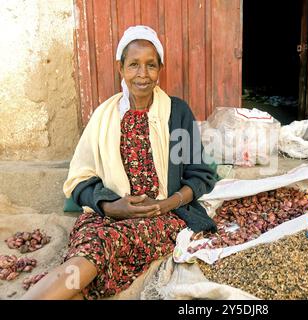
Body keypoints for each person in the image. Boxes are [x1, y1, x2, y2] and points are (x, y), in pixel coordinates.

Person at [21, 25, 217, 300]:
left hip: (160, 217)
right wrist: (111, 206)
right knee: (90, 243)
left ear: (160, 69)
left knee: (99, 247)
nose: (142, 74)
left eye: (151, 65)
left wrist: (165, 203)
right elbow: (80, 180)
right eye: (134, 64)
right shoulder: (104, 117)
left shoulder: (176, 112)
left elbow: (199, 175)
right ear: (120, 67)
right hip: (106, 213)